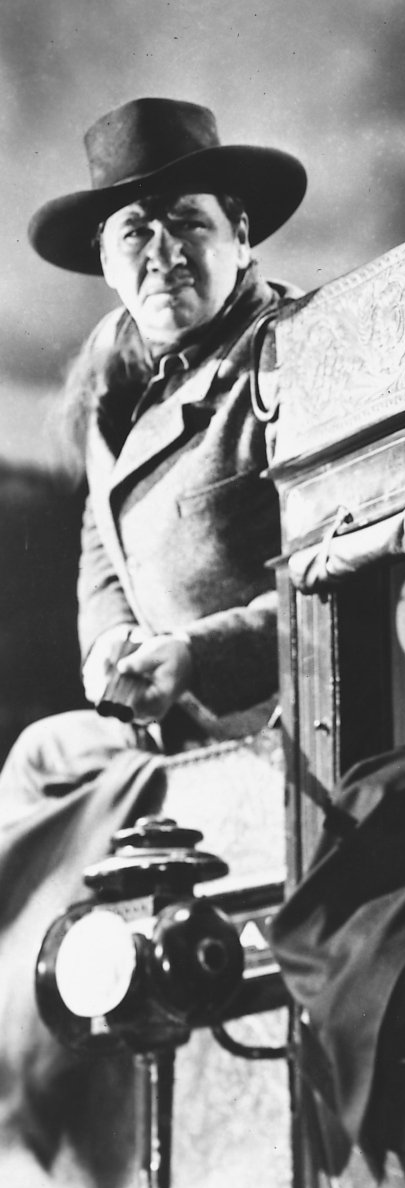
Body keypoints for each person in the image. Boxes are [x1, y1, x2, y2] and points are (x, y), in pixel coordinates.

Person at [3, 97, 307, 811]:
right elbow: (101, 539)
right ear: (106, 262)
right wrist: (108, 638)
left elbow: (338, 574)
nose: (163, 254)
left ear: (240, 233)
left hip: (279, 731)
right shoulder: (115, 380)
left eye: (187, 222)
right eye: (136, 231)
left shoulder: (294, 355)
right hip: (162, 727)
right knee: (38, 763)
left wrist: (198, 655)